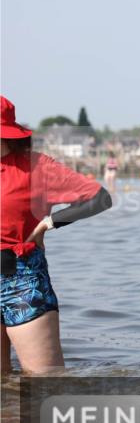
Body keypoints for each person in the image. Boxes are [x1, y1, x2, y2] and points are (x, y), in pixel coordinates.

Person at [1, 97, 113, 373]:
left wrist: (49, 222)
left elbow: (99, 198)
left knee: (47, 387)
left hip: (21, 282)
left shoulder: (36, 167)